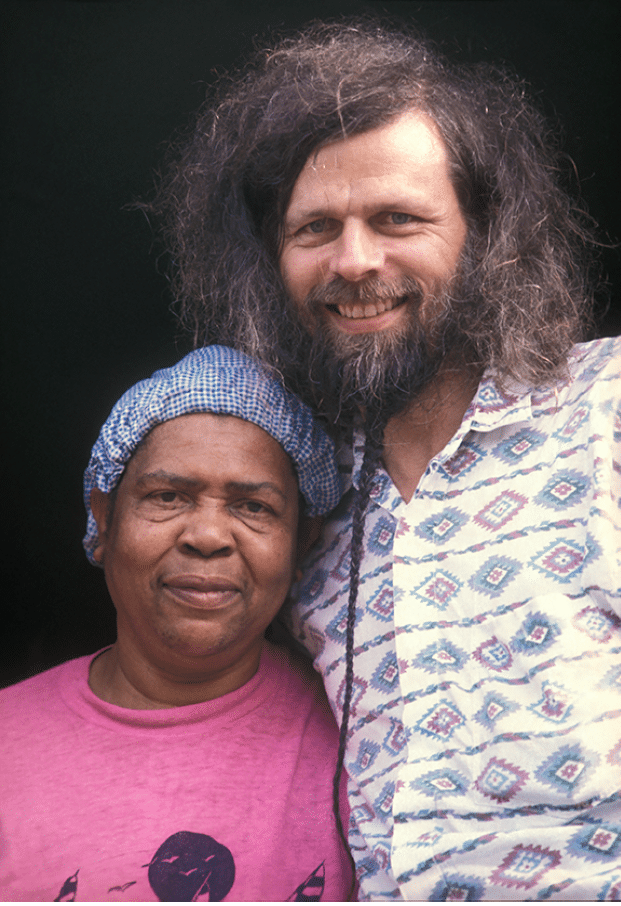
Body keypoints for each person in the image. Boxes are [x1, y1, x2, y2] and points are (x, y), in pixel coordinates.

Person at [145, 17, 621, 901]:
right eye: (314, 228)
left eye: (398, 218)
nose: (354, 261)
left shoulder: (606, 405)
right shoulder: (296, 487)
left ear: (486, 233)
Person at [0, 345, 355, 902]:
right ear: (103, 517)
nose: (208, 536)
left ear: (301, 540)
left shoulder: (363, 752)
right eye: (168, 496)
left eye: (253, 506)